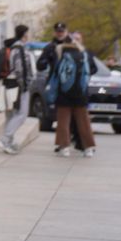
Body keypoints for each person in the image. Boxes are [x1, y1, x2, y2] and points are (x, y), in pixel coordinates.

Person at [40, 31, 98, 157]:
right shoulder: (84, 55)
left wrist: (51, 92)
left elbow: (55, 77)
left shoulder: (61, 55)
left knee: (63, 121)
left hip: (63, 94)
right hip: (81, 93)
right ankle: (88, 148)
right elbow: (91, 72)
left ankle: (64, 147)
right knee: (84, 121)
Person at [37, 21, 77, 150]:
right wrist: (45, 60)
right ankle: (64, 141)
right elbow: (40, 65)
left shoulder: (73, 46)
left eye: (62, 31)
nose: (60, 34)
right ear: (55, 32)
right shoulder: (50, 47)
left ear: (66, 31)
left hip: (72, 84)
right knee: (61, 114)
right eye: (58, 31)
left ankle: (72, 138)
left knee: (73, 114)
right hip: (57, 85)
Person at [0, 24, 33, 154]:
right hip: (18, 86)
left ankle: (8, 144)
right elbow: (20, 69)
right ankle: (4, 139)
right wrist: (25, 86)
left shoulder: (10, 46)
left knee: (10, 115)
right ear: (24, 34)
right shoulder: (20, 48)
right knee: (22, 114)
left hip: (7, 84)